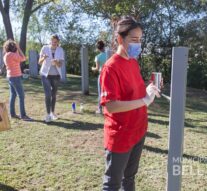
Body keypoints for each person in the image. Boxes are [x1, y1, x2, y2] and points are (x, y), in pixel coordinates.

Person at [100, 17, 160, 191]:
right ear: (120, 39)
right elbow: (110, 105)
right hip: (120, 135)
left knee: (130, 179)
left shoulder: (133, 63)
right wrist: (143, 100)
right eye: (134, 40)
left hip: (138, 130)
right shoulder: (111, 68)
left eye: (140, 40)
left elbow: (135, 94)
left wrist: (149, 91)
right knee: (112, 183)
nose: (138, 44)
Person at [3, 39, 32, 121]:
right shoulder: (12, 55)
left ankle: (12, 114)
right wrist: (19, 48)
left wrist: (16, 49)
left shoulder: (6, 55)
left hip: (10, 77)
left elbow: (17, 58)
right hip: (15, 77)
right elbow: (23, 58)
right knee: (21, 96)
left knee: (13, 95)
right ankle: (23, 115)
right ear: (13, 47)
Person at [38, 34, 64, 123]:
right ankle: (48, 115)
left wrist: (56, 62)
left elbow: (60, 65)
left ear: (58, 42)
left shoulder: (60, 50)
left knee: (53, 95)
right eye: (52, 41)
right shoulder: (45, 48)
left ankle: (53, 112)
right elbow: (39, 62)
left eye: (55, 42)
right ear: (50, 41)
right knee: (48, 94)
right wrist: (44, 58)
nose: (53, 43)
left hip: (56, 75)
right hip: (45, 75)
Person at [91, 40, 107, 114]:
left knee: (100, 92)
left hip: (102, 75)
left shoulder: (97, 57)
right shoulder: (109, 55)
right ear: (104, 46)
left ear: (98, 48)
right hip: (110, 75)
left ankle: (99, 109)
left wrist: (92, 68)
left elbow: (97, 69)